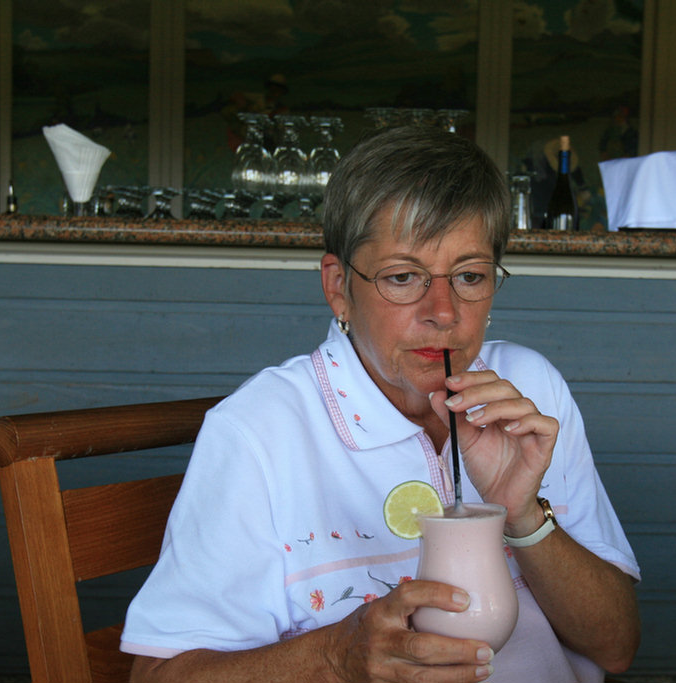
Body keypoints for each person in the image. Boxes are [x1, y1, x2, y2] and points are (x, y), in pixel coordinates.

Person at [121, 126, 641, 682]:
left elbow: (615, 648)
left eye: (469, 275)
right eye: (402, 277)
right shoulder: (259, 431)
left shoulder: (529, 387)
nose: (443, 311)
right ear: (339, 286)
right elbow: (158, 675)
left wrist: (523, 515)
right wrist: (334, 657)